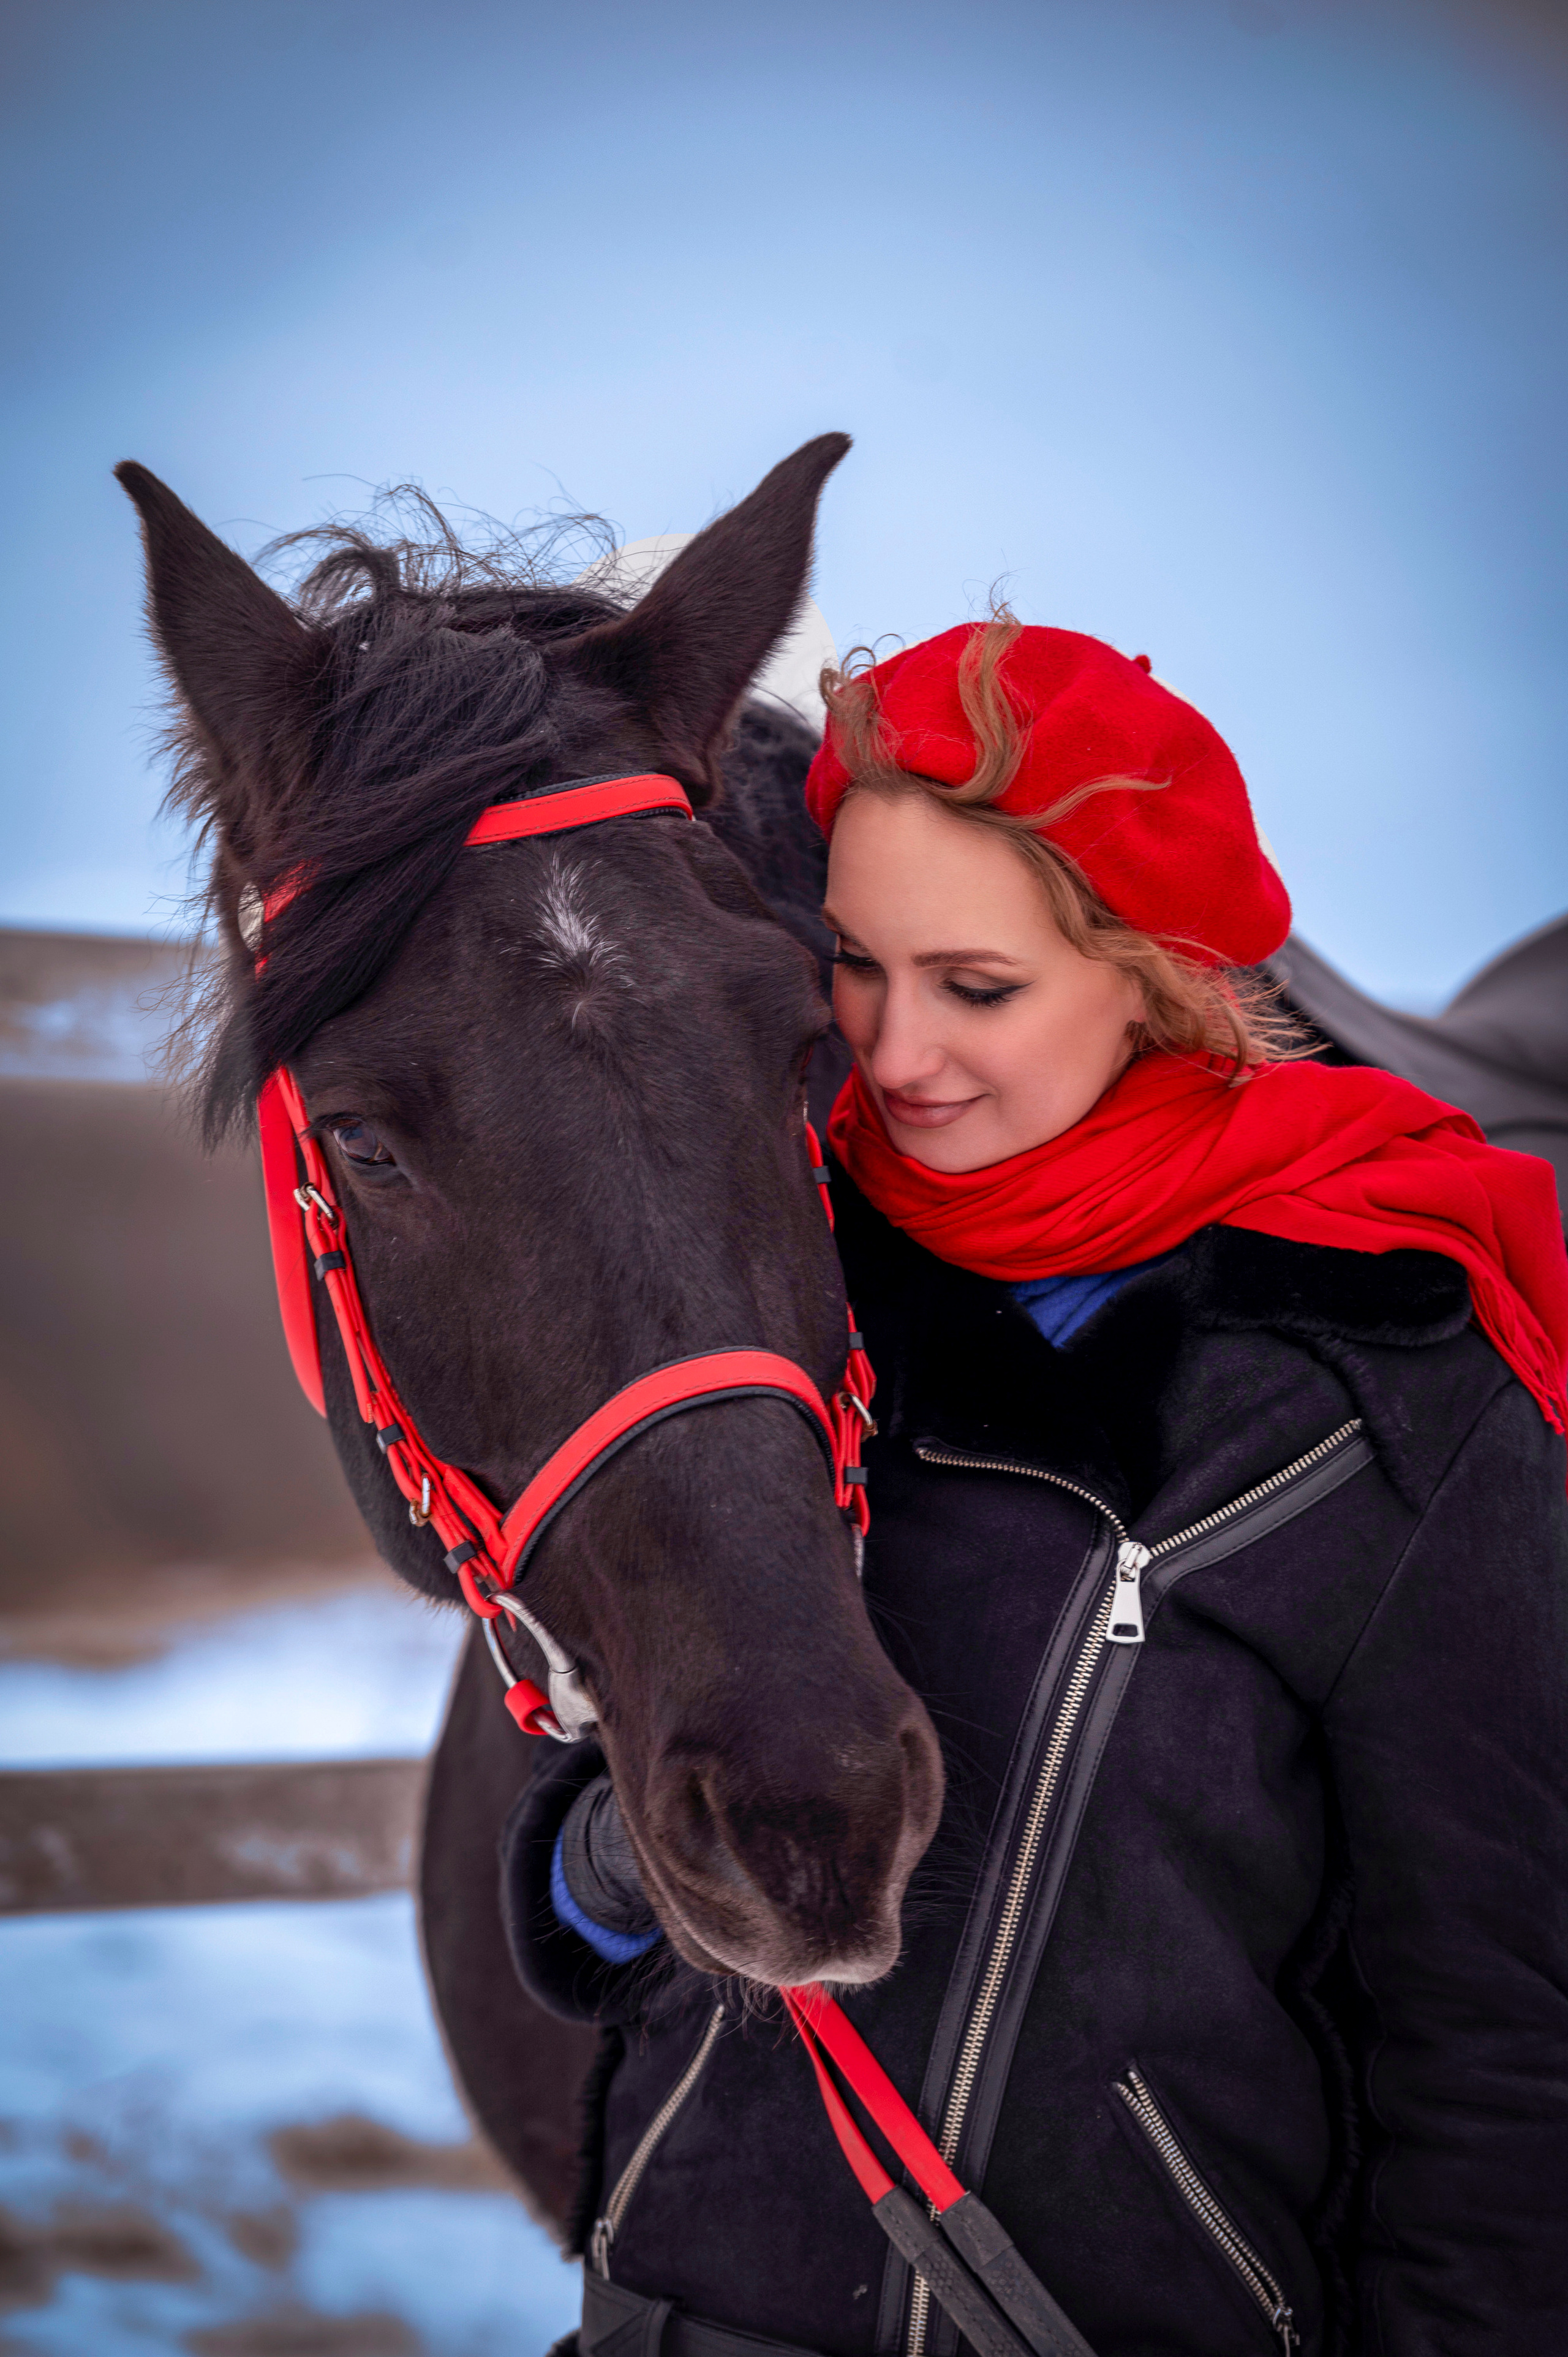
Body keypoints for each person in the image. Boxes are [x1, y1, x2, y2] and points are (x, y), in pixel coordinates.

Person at [503, 616, 1568, 2357]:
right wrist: (628, 1854)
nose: (897, 1054)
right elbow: (574, 1872)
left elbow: (1502, 2053)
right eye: (853, 966)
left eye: (975, 986)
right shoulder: (779, 1297)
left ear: (1152, 979)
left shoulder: (1388, 1386)